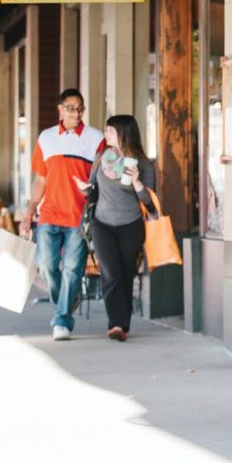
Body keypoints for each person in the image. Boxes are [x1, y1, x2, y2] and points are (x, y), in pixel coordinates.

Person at [19, 88, 105, 341]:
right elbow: (40, 179)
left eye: (80, 108)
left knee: (72, 270)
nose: (76, 113)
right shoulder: (46, 138)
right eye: (71, 108)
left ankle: (62, 320)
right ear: (60, 109)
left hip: (79, 216)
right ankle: (66, 301)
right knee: (46, 266)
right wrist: (28, 213)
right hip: (48, 214)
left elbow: (102, 176)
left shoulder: (95, 138)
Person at [73, 115, 156, 342]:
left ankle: (123, 323)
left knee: (126, 273)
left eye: (110, 130)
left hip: (131, 225)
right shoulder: (102, 158)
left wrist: (137, 181)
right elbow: (93, 189)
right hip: (102, 223)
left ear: (123, 133)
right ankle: (116, 324)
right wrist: (84, 189)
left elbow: (150, 202)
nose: (105, 134)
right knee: (110, 272)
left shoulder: (142, 163)